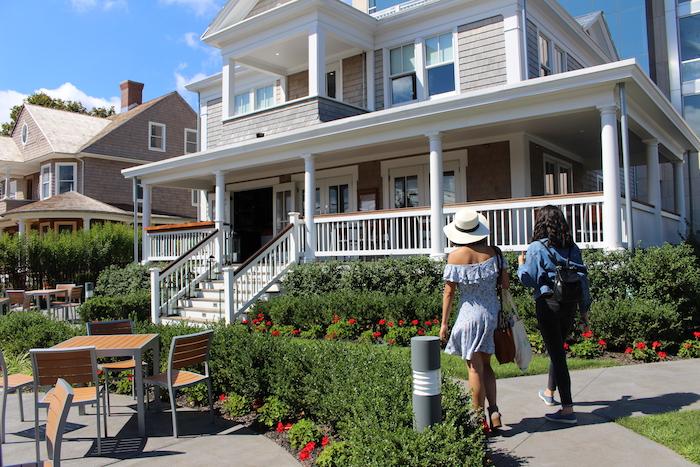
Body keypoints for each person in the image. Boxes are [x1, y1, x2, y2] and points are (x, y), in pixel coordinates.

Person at [517, 205, 590, 425]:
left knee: (557, 355)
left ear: (541, 222)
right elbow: (583, 278)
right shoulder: (572, 247)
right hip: (569, 303)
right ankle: (549, 392)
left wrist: (520, 266)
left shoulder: (536, 248)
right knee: (557, 348)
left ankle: (567, 410)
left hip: (548, 304)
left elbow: (528, 279)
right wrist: (584, 310)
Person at [440, 207, 509, 432]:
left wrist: (443, 324)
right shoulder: (495, 253)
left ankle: (479, 421)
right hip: (492, 314)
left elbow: (449, 293)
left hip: (469, 317)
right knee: (487, 365)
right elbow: (506, 286)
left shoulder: (456, 256)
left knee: (474, 369)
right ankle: (495, 412)